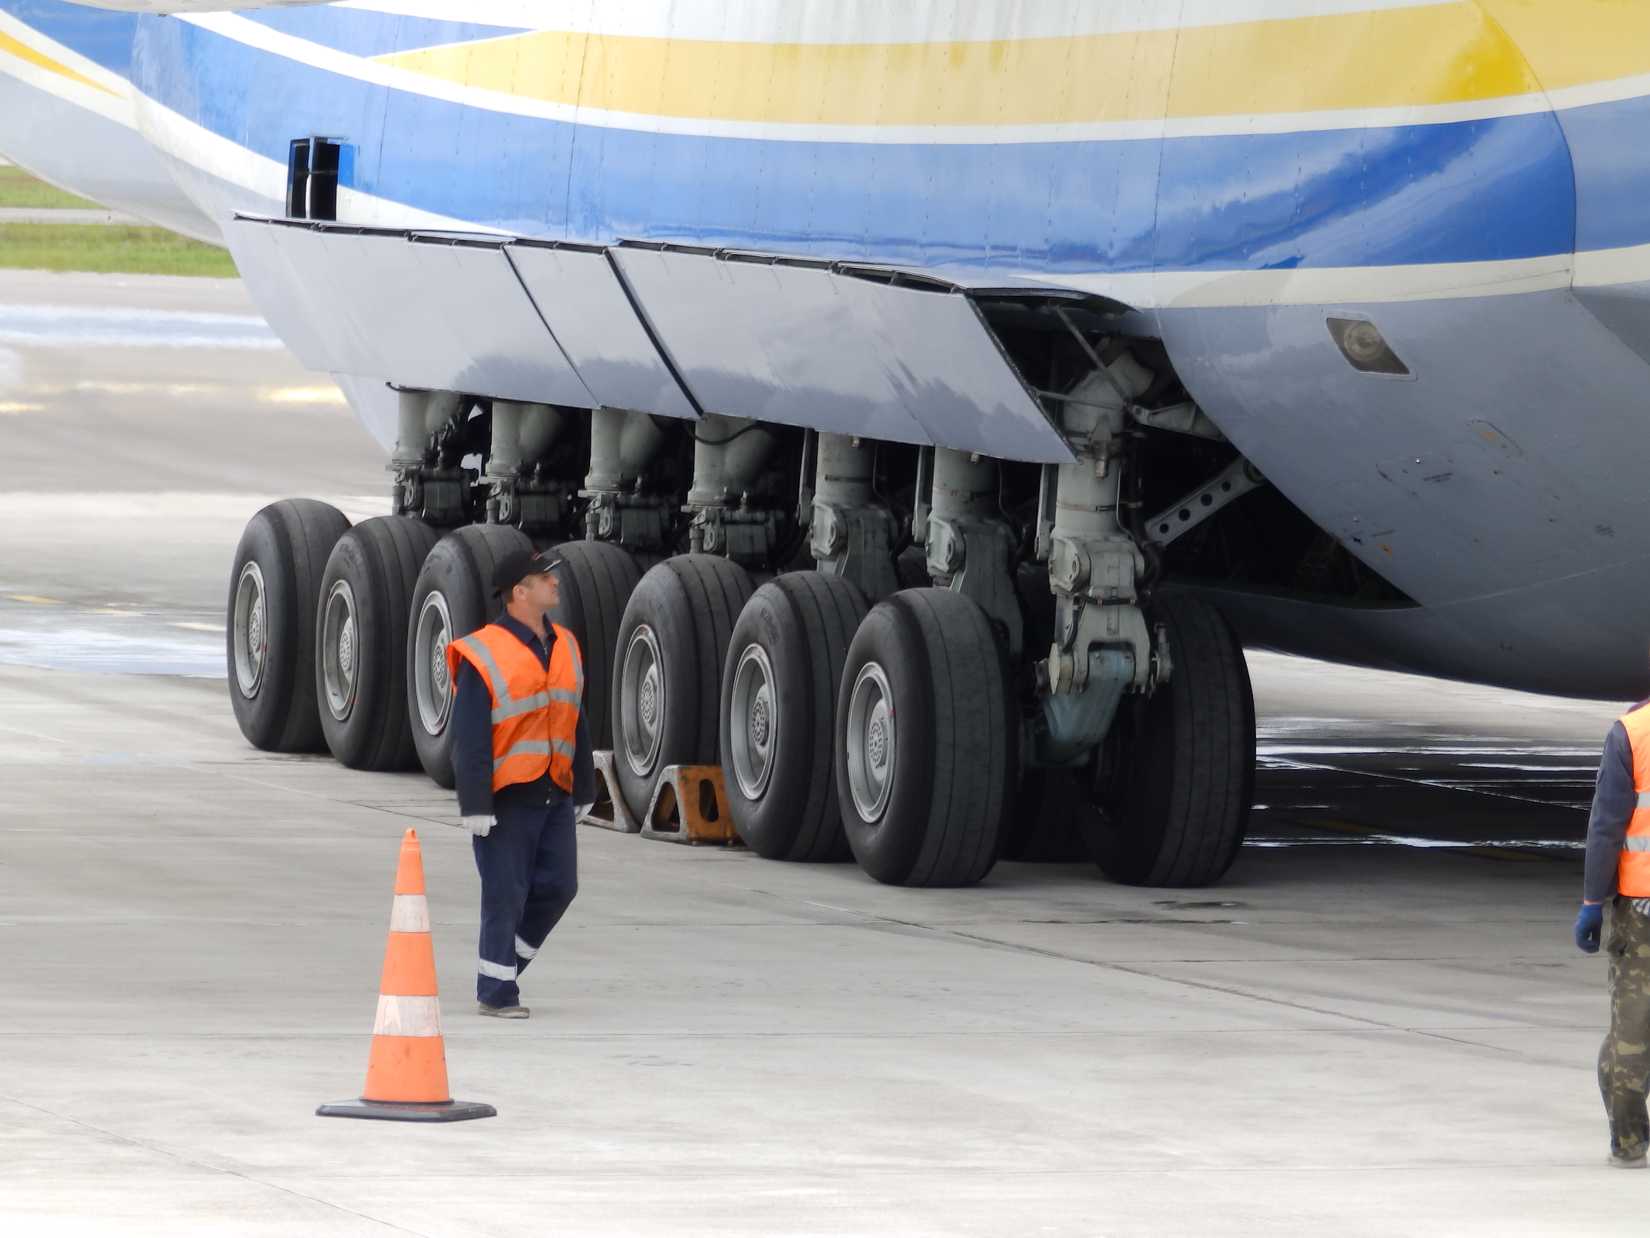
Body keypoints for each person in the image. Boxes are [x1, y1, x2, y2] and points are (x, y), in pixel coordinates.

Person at [446, 547, 594, 1018]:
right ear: (519, 592)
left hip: (556, 790)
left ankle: (502, 965)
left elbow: (575, 718)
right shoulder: (482, 652)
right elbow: (469, 735)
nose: (555, 583)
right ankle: (496, 993)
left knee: (560, 887)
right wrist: (475, 802)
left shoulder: (565, 643)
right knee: (504, 894)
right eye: (544, 577)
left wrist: (585, 787)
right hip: (508, 796)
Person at [1575, 691, 1650, 1168]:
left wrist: (1591, 902)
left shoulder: (1632, 732)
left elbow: (1607, 826)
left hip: (1641, 906)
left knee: (1631, 1030)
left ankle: (1628, 1142)